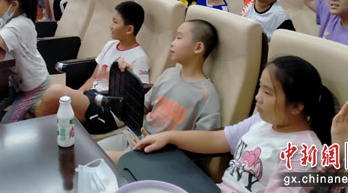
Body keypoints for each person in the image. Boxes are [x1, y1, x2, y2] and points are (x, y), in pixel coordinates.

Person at [134, 55, 335, 193]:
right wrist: (168, 137)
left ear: (296, 106)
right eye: (260, 88)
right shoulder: (263, 121)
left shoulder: (304, 150)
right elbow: (217, 139)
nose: (257, 98)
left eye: (267, 92)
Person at [99, 20, 221, 164]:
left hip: (160, 154)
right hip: (135, 136)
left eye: (179, 38)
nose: (172, 43)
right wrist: (128, 79)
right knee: (87, 151)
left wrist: (162, 145)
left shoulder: (207, 96)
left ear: (198, 47)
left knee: (98, 160)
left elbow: (205, 143)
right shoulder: (168, 74)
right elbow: (141, 108)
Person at [35, 1, 149, 134]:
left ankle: (36, 133)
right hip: (92, 97)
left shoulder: (139, 57)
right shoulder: (110, 45)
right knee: (55, 105)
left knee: (55, 92)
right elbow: (94, 77)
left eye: (115, 22)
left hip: (109, 108)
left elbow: (138, 99)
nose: (110, 26)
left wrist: (123, 77)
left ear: (129, 29)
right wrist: (80, 92)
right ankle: (43, 135)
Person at [0, 0, 50, 124]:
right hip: (17, 82)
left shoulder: (18, 25)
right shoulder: (11, 19)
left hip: (34, 86)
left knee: (7, 123)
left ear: (14, 5)